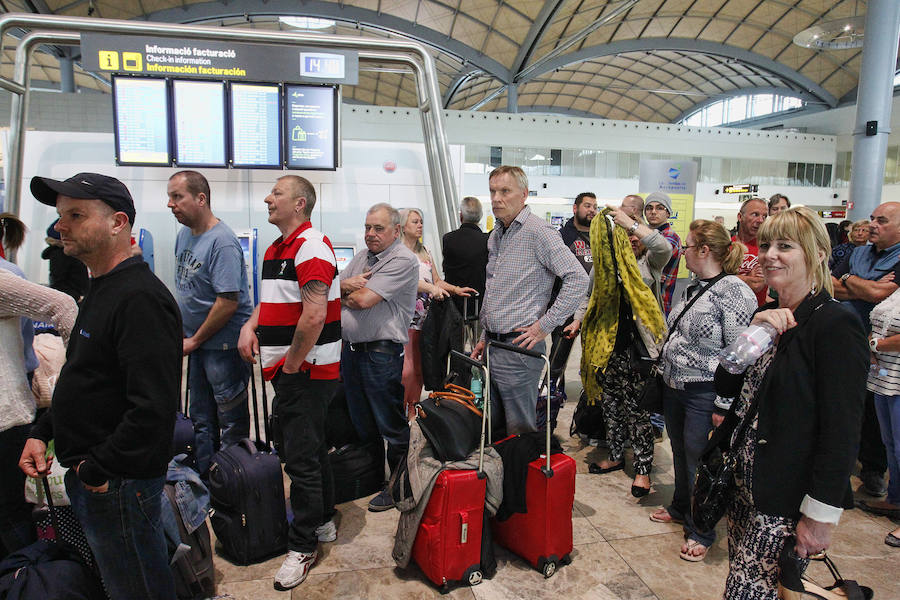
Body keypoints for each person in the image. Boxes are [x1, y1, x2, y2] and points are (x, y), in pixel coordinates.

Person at [20, 172, 181, 600]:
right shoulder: (101, 290)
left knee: (137, 587)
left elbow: (153, 407)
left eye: (76, 215)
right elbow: (87, 379)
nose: (61, 227)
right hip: (101, 476)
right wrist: (43, 432)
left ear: (118, 222)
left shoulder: (139, 298)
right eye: (60, 216)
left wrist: (97, 469)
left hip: (117, 483)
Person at [714, 206, 867, 598]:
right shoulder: (767, 312)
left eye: (785, 246)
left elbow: (842, 430)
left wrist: (819, 516)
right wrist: (753, 334)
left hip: (785, 498)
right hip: (745, 486)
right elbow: (728, 383)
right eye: (766, 245)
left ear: (817, 253)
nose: (770, 255)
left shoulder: (835, 324)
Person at [237, 175, 341, 591]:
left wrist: (293, 365)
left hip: (306, 373)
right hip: (293, 371)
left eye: (276, 193)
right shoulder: (278, 248)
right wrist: (251, 324)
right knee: (312, 448)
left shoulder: (311, 246)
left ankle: (303, 545)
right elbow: (276, 298)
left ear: (299, 204)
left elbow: (313, 315)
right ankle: (323, 519)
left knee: (299, 461)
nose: (268, 198)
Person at [650, 220, 756, 562]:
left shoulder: (736, 292)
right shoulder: (693, 288)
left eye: (689, 247)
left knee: (701, 460)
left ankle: (702, 528)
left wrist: (724, 404)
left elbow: (739, 355)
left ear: (705, 250)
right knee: (679, 451)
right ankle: (682, 506)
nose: (683, 254)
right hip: (675, 385)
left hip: (704, 391)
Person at [471, 166, 588, 437]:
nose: (496, 198)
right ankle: (503, 477)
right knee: (494, 428)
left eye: (505, 191)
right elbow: (495, 289)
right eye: (492, 191)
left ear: (523, 194)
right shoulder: (498, 234)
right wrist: (484, 334)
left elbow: (578, 279)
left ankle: (520, 478)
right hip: (494, 344)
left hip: (519, 349)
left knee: (519, 432)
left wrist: (544, 326)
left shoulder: (539, 232)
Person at [167, 170, 253, 475]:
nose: (170, 204)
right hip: (200, 344)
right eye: (170, 197)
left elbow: (227, 302)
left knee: (230, 424)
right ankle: (205, 483)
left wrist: (194, 340)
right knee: (200, 419)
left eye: (177, 197)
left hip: (222, 346)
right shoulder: (184, 236)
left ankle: (233, 486)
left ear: (200, 199)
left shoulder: (223, 242)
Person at [584, 206, 667, 497]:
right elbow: (589, 297)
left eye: (635, 234)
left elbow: (663, 245)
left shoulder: (649, 264)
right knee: (611, 408)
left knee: (638, 413)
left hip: (639, 352)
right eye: (625, 234)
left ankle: (643, 470)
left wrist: (631, 224)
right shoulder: (603, 266)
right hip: (608, 350)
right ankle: (617, 455)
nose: (632, 239)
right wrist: (575, 322)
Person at [340, 203, 418, 512]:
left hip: (381, 355)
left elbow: (362, 299)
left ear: (396, 231)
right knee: (363, 424)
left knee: (391, 424)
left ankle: (399, 486)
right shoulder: (362, 257)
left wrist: (345, 291)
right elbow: (334, 289)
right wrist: (344, 285)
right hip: (353, 352)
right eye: (368, 227)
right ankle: (373, 478)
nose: (371, 234)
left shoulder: (403, 260)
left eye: (378, 228)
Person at [0, 270, 76, 557]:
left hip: (7, 423)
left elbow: (63, 307)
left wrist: (78, 378)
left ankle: (27, 581)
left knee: (11, 520)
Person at [832, 202, 900, 498]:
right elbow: (831, 285)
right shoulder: (856, 252)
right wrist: (858, 283)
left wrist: (851, 282)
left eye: (881, 220)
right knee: (846, 406)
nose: (872, 224)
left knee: (876, 414)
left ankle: (873, 470)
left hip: (882, 352)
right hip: (847, 341)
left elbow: (881, 294)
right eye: (872, 218)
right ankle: (841, 466)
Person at [398, 207, 473, 414]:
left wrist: (456, 289)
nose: (420, 225)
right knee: (406, 371)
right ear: (403, 226)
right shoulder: (397, 254)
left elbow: (437, 280)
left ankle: (412, 409)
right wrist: (431, 288)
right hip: (404, 320)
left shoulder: (425, 252)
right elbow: (408, 281)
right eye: (415, 222)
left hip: (427, 321)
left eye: (421, 221)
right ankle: (400, 408)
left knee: (422, 369)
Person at [863, 287, 900, 544]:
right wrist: (871, 345)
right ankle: (895, 500)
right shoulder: (896, 293)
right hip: (884, 376)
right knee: (890, 445)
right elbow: (875, 322)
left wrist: (876, 344)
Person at [550, 192, 598, 391]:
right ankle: (551, 392)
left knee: (593, 355)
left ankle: (591, 397)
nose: (592, 210)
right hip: (566, 305)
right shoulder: (561, 236)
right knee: (558, 356)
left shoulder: (600, 236)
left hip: (594, 305)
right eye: (587, 206)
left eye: (595, 206)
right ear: (575, 208)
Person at [441, 196, 489, 316]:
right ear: (480, 216)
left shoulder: (448, 239)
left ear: (461, 216)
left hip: (453, 302)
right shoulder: (487, 241)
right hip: (480, 303)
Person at [642, 192, 682, 316]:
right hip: (642, 303)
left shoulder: (670, 237)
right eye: (649, 208)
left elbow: (659, 253)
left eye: (659, 208)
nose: (653, 212)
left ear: (668, 213)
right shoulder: (645, 234)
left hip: (658, 305)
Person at [41, 218, 89, 301]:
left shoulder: (71, 253)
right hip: (73, 301)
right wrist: (78, 297)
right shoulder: (60, 254)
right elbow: (58, 283)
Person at [733, 198, 768, 306]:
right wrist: (749, 276)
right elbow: (715, 281)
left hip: (755, 314)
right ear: (740, 217)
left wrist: (729, 278)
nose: (760, 220)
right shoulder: (726, 246)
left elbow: (757, 284)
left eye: (764, 216)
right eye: (755, 214)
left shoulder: (767, 249)